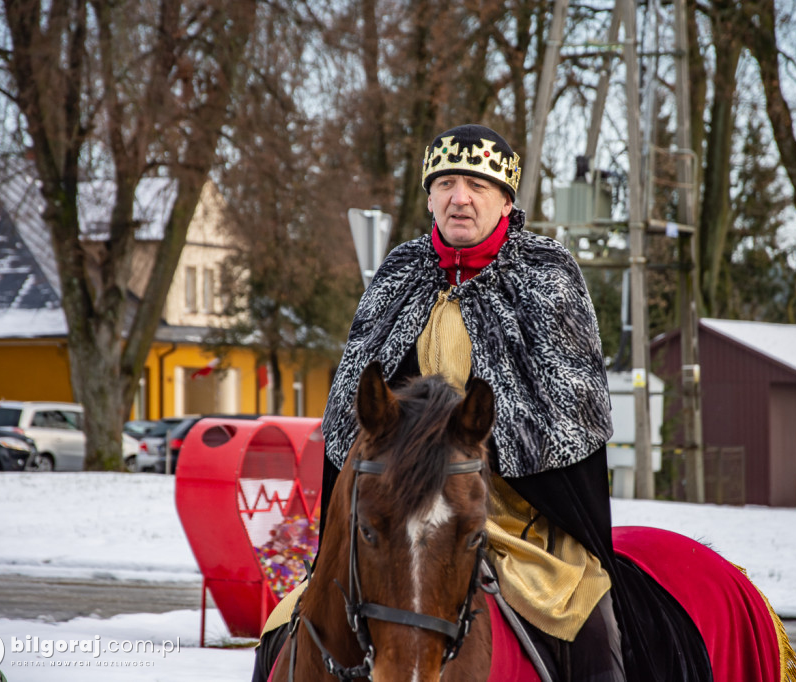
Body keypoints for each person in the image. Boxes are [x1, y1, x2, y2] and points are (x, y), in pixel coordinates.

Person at [252, 124, 712, 682]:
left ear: (506, 200)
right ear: (429, 197)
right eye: (445, 183)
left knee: (590, 621)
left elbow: (572, 414)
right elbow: (355, 403)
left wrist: (477, 451)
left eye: (476, 184)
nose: (459, 197)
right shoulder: (399, 275)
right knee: (288, 625)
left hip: (516, 519)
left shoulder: (547, 274)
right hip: (400, 510)